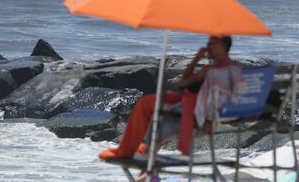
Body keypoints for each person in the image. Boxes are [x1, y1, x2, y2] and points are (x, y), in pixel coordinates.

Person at [99, 35, 240, 160]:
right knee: (155, 115)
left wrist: (196, 58)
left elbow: (183, 83)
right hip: (208, 112)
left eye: (210, 44)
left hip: (195, 112)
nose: (207, 48)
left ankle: (134, 155)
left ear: (221, 46)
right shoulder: (235, 67)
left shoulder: (210, 70)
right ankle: (144, 161)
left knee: (151, 112)